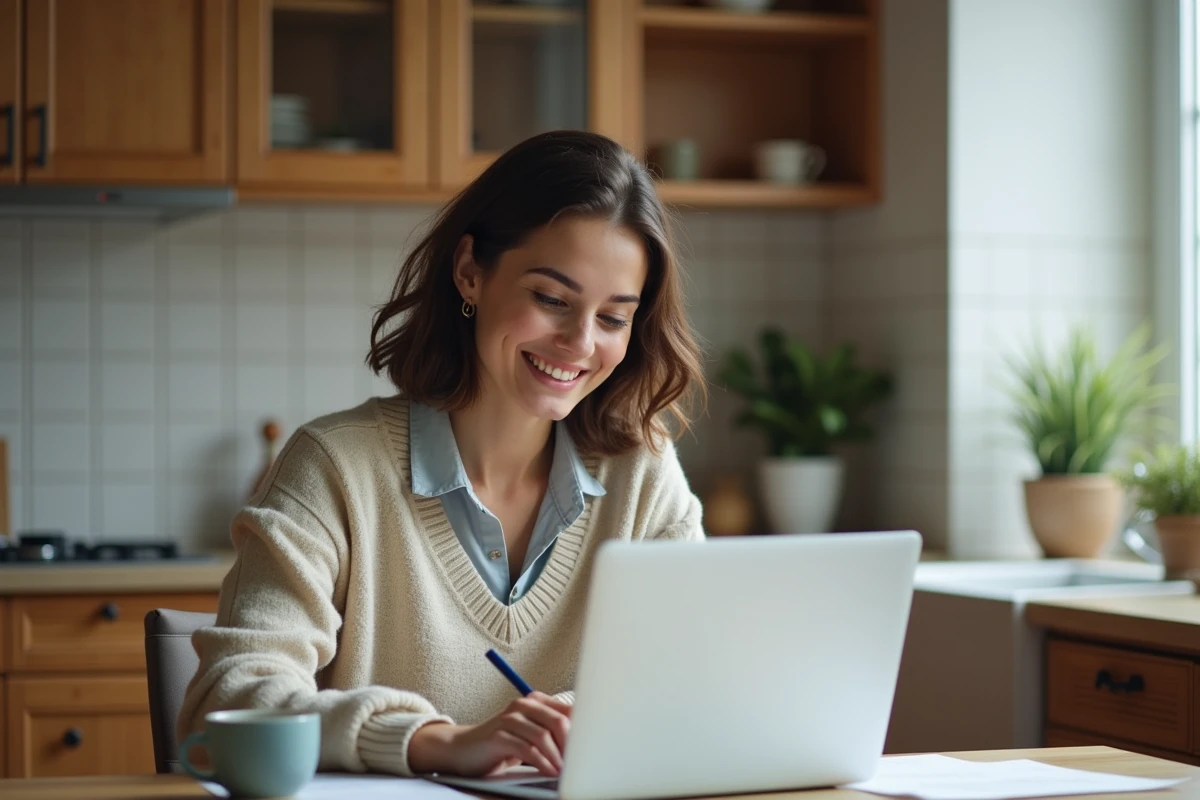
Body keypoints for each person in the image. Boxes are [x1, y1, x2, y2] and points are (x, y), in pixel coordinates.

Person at [177, 130, 707, 780]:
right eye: (550, 299)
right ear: (469, 273)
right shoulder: (335, 467)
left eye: (614, 318)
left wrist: (573, 724)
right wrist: (435, 740)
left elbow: (689, 685)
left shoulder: (645, 476)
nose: (579, 343)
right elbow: (223, 702)